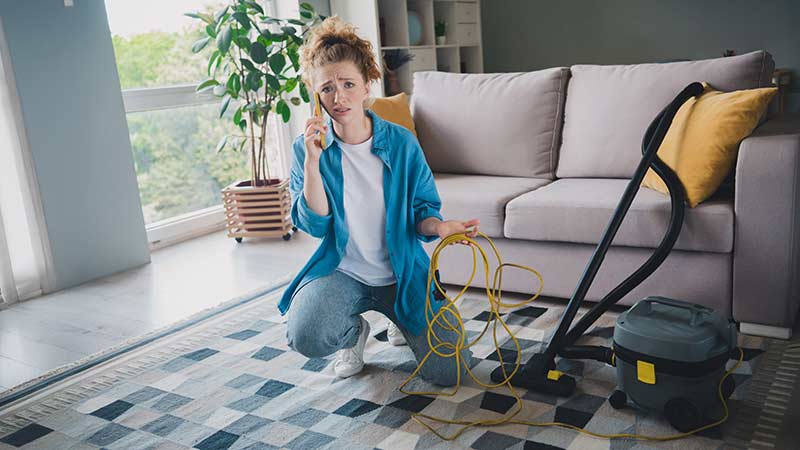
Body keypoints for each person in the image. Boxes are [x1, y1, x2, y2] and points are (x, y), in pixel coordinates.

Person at [277, 16, 479, 386]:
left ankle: (400, 316)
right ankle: (353, 334)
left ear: (368, 86)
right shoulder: (308, 149)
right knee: (306, 333)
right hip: (344, 272)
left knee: (452, 371)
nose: (339, 98)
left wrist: (439, 226)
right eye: (327, 89)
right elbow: (314, 225)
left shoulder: (401, 143)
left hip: (402, 274)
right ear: (316, 94)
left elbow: (422, 211)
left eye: (348, 84)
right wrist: (312, 162)